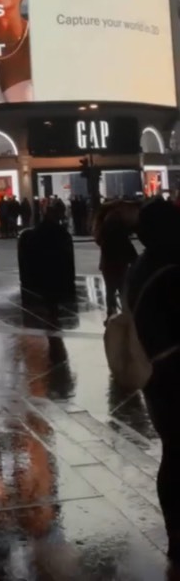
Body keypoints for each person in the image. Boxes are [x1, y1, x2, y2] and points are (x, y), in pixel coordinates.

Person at [124, 199, 180, 571]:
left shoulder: (142, 266)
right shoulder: (171, 267)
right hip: (175, 373)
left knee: (173, 455)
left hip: (156, 378)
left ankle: (176, 537)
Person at [97, 208, 137, 319]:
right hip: (120, 264)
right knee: (122, 288)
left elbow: (101, 245)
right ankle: (126, 310)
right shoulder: (122, 234)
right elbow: (130, 251)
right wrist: (134, 260)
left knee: (110, 290)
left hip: (108, 265)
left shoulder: (104, 234)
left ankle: (111, 310)